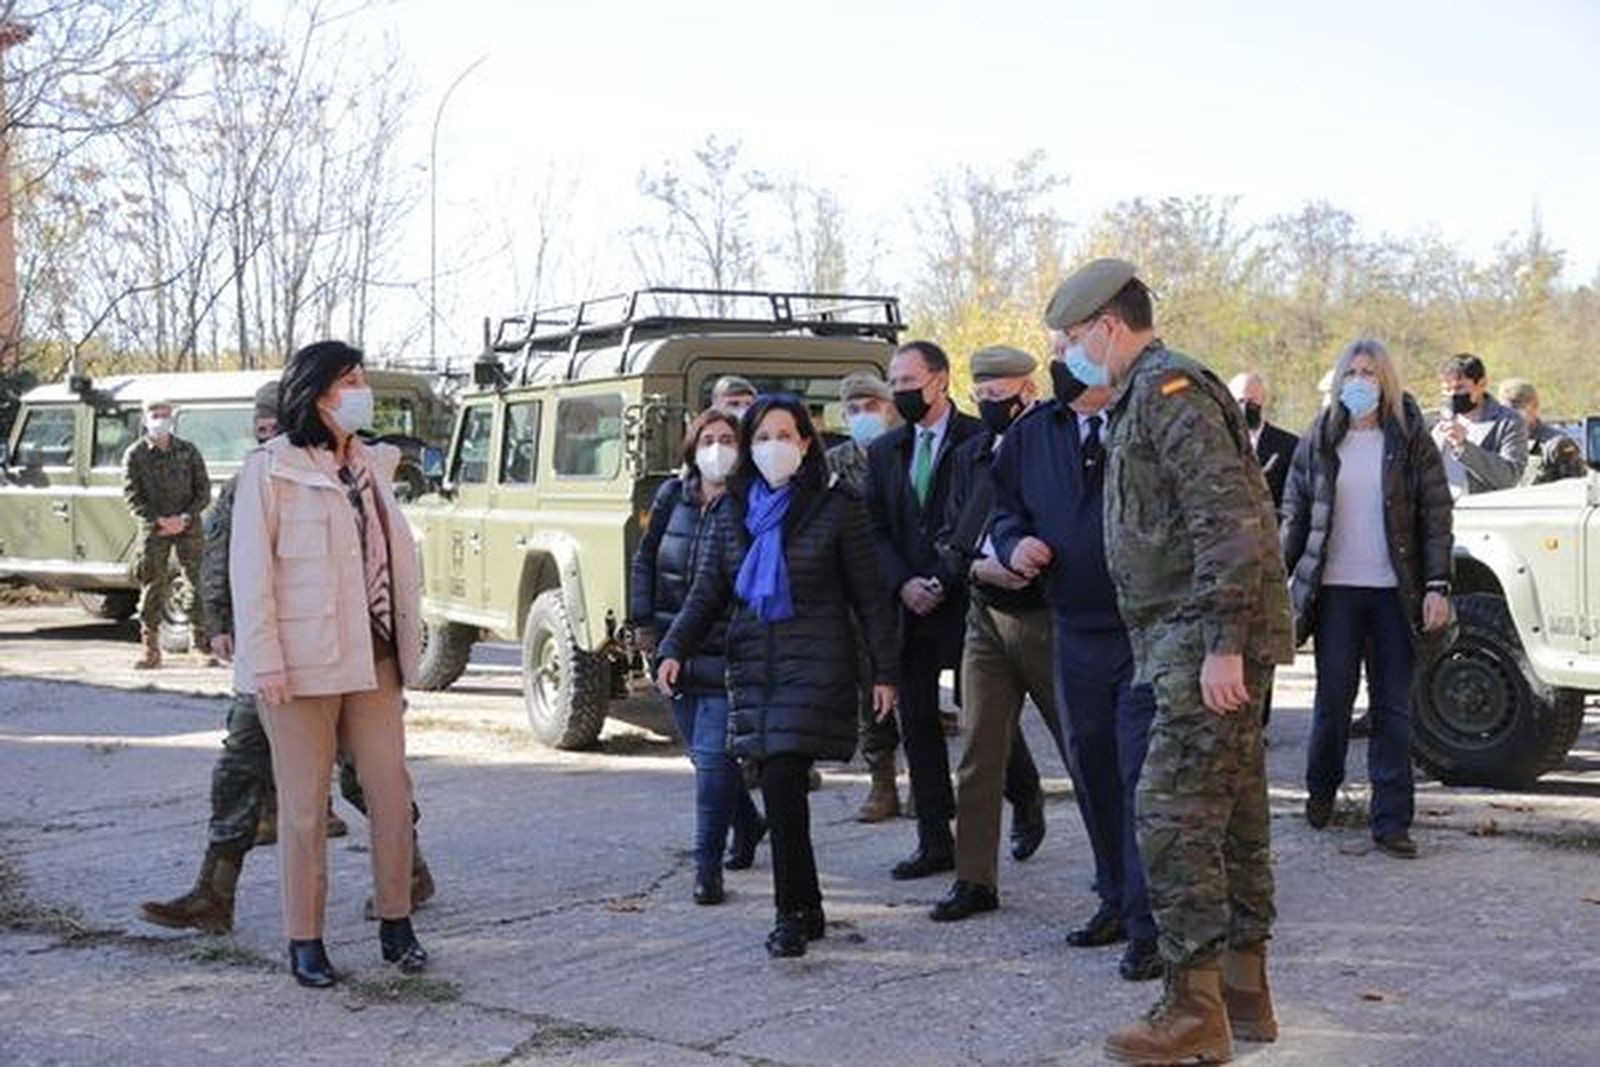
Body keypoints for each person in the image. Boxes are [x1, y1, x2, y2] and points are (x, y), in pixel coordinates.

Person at [1044, 259, 1294, 1063]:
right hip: (1181, 637)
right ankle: (1246, 992)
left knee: (1171, 816)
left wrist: (1224, 642)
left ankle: (1194, 1006)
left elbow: (1228, 521)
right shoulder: (1149, 393)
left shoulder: (1166, 391)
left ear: (1108, 327)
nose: (1070, 355)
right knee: (1235, 816)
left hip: (1199, 640)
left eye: (1074, 339)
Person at [140, 381, 436, 936]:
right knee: (241, 763)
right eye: (260, 425)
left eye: (274, 422)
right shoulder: (256, 473)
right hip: (274, 651)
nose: (267, 432)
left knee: (363, 776)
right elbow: (225, 553)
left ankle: (410, 871)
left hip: (346, 652)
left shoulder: (351, 469)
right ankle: (215, 890)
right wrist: (221, 623)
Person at [656, 395, 897, 957]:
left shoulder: (838, 507)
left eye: (785, 435)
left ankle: (789, 915)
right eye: (762, 436)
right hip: (752, 667)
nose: (773, 447)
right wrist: (674, 649)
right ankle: (808, 907)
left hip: (815, 664)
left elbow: (870, 598)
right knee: (779, 787)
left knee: (785, 783)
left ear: (807, 444)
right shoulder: (730, 511)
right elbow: (707, 592)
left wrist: (884, 671)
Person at [231, 340, 427, 988]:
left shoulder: (371, 465)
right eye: (349, 379)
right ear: (316, 392)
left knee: (391, 794)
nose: (361, 388)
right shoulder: (271, 469)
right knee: (306, 808)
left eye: (361, 377)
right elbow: (251, 575)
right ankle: (305, 939)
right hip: (300, 667)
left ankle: (397, 923)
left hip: (375, 662)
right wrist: (266, 662)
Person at [988, 340, 1160, 982]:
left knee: (1138, 776)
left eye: (1070, 346)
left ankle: (1149, 926)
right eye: (1054, 348)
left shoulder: (1147, 419)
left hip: (1144, 633)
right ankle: (1114, 900)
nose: (1059, 359)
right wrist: (1015, 542)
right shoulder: (1035, 433)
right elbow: (1003, 509)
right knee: (1091, 771)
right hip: (1073, 630)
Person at [1282, 341, 1454, 859]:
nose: (1360, 380)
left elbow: (1436, 515)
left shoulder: (1409, 438)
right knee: (1332, 703)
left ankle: (1392, 820)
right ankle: (1321, 790)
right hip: (1335, 594)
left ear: (1387, 381)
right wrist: (1276, 582)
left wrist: (1437, 585)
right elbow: (1295, 513)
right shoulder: (1319, 435)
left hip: (1393, 595)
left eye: (1370, 373)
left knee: (1392, 710)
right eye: (1352, 372)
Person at [927, 345, 1064, 925]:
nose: (988, 406)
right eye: (980, 396)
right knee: (980, 751)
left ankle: (1123, 876)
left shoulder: (1051, 448)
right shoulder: (971, 454)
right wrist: (980, 568)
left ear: (1028, 393)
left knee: (1084, 748)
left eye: (998, 396)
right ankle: (974, 878)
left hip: (1046, 617)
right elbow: (951, 537)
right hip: (985, 614)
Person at [630, 408, 766, 905]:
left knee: (712, 759)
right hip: (671, 644)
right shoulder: (672, 494)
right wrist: (644, 625)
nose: (717, 448)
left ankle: (706, 870)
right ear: (692, 447)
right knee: (702, 755)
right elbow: (646, 558)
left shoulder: (753, 501)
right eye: (708, 439)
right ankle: (749, 824)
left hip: (726, 648)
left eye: (727, 439)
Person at [866, 340, 984, 879]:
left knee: (985, 720)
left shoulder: (979, 439)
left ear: (940, 380)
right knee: (917, 725)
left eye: (909, 382)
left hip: (965, 602)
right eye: (894, 383)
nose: (900, 392)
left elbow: (980, 517)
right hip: (908, 607)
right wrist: (904, 582)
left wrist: (943, 576)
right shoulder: (885, 449)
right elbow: (876, 528)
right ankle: (935, 840)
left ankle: (1024, 799)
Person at [825, 372, 904, 822]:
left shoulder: (905, 450)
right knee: (870, 690)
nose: (862, 415)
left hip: (906, 588)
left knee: (914, 691)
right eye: (853, 409)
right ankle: (882, 783)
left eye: (871, 406)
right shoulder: (834, 463)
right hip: (858, 595)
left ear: (889, 406)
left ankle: (927, 783)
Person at [123, 395, 211, 669]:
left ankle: (199, 645)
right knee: (153, 585)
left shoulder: (188, 450)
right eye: (154, 413)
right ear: (145, 418)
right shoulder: (135, 454)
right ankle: (150, 650)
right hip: (154, 529)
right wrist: (159, 520)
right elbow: (132, 496)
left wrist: (184, 517)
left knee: (196, 581)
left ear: (172, 417)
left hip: (188, 525)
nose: (160, 418)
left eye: (164, 413)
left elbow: (203, 490)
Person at [1433, 352, 1528, 497]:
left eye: (1460, 388)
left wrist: (1464, 447)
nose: (1453, 395)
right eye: (1447, 389)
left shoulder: (1509, 422)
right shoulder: (1437, 423)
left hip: (1482, 513)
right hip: (1441, 511)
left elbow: (1509, 477)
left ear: (1482, 384)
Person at [1227, 372, 1299, 513]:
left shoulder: (1289, 445)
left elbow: (1293, 503)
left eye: (1252, 400)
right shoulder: (1217, 445)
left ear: (1263, 400)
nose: (1245, 406)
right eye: (1240, 401)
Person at [1498, 378, 1585, 485]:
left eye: (1516, 411)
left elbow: (1575, 490)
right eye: (1504, 412)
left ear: (1535, 406)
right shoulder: (1500, 444)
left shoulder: (1557, 445)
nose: (1510, 418)